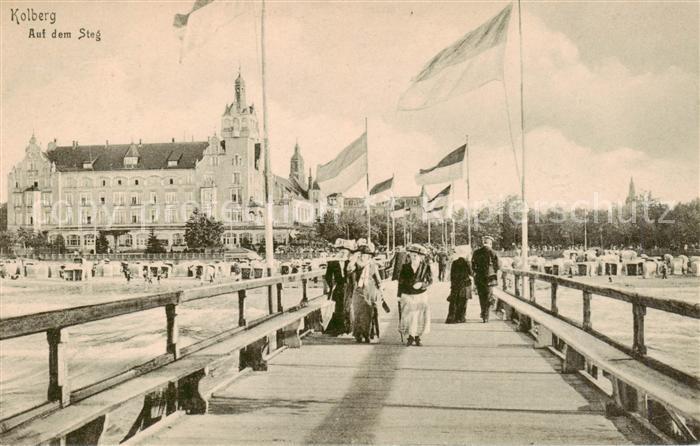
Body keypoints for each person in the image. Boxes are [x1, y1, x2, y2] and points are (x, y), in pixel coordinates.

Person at [398, 244, 433, 346]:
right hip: (407, 294)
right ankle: (410, 336)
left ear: (421, 257)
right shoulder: (405, 267)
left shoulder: (426, 267)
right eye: (411, 255)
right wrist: (399, 295)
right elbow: (400, 282)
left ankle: (417, 337)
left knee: (420, 316)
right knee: (409, 316)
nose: (413, 257)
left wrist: (422, 284)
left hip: (420, 294)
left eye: (415, 255)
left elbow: (430, 280)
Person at [351, 242, 383, 343]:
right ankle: (358, 334)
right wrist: (354, 259)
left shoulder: (372, 264)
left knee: (369, 313)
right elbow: (348, 269)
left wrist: (380, 288)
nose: (365, 257)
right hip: (359, 290)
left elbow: (377, 277)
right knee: (358, 313)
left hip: (370, 290)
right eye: (363, 255)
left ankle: (367, 334)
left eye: (367, 255)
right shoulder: (356, 264)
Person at [324, 239, 355, 336]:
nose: (343, 252)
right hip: (339, 286)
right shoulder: (332, 263)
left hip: (349, 286)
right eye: (341, 250)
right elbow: (328, 276)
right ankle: (339, 328)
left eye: (345, 250)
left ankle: (348, 327)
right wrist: (331, 285)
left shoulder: (350, 262)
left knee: (348, 306)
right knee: (338, 307)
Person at [472, 236, 500, 323]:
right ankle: (486, 316)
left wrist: (477, 271)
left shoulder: (476, 252)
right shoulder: (493, 252)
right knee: (488, 295)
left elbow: (473, 265)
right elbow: (498, 265)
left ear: (483, 243)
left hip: (479, 277)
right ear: (490, 243)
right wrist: (493, 271)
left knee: (481, 296)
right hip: (490, 277)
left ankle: (483, 313)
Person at [446, 245, 473, 324]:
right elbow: (471, 273)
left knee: (454, 301)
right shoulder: (467, 262)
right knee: (463, 301)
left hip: (455, 284)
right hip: (465, 284)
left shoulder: (454, 262)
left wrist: (452, 284)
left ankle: (451, 317)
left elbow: (452, 275)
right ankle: (461, 317)